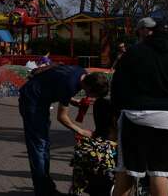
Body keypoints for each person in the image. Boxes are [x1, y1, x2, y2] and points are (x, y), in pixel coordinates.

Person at [111, 18, 168, 196]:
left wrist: (118, 109)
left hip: (134, 116)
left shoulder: (133, 53)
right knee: (160, 172)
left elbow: (117, 87)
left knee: (126, 171)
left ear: (151, 33)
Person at [18, 64, 109, 196]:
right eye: (93, 94)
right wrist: (81, 131)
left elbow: (56, 79)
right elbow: (62, 117)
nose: (91, 97)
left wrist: (71, 100)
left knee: (43, 145)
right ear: (89, 87)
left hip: (39, 98)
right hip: (32, 101)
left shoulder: (81, 72)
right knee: (38, 147)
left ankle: (46, 187)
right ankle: (42, 190)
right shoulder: (70, 84)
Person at [70, 98, 117, 196]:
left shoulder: (86, 145)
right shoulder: (116, 148)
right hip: (110, 188)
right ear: (114, 119)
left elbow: (77, 181)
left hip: (91, 187)